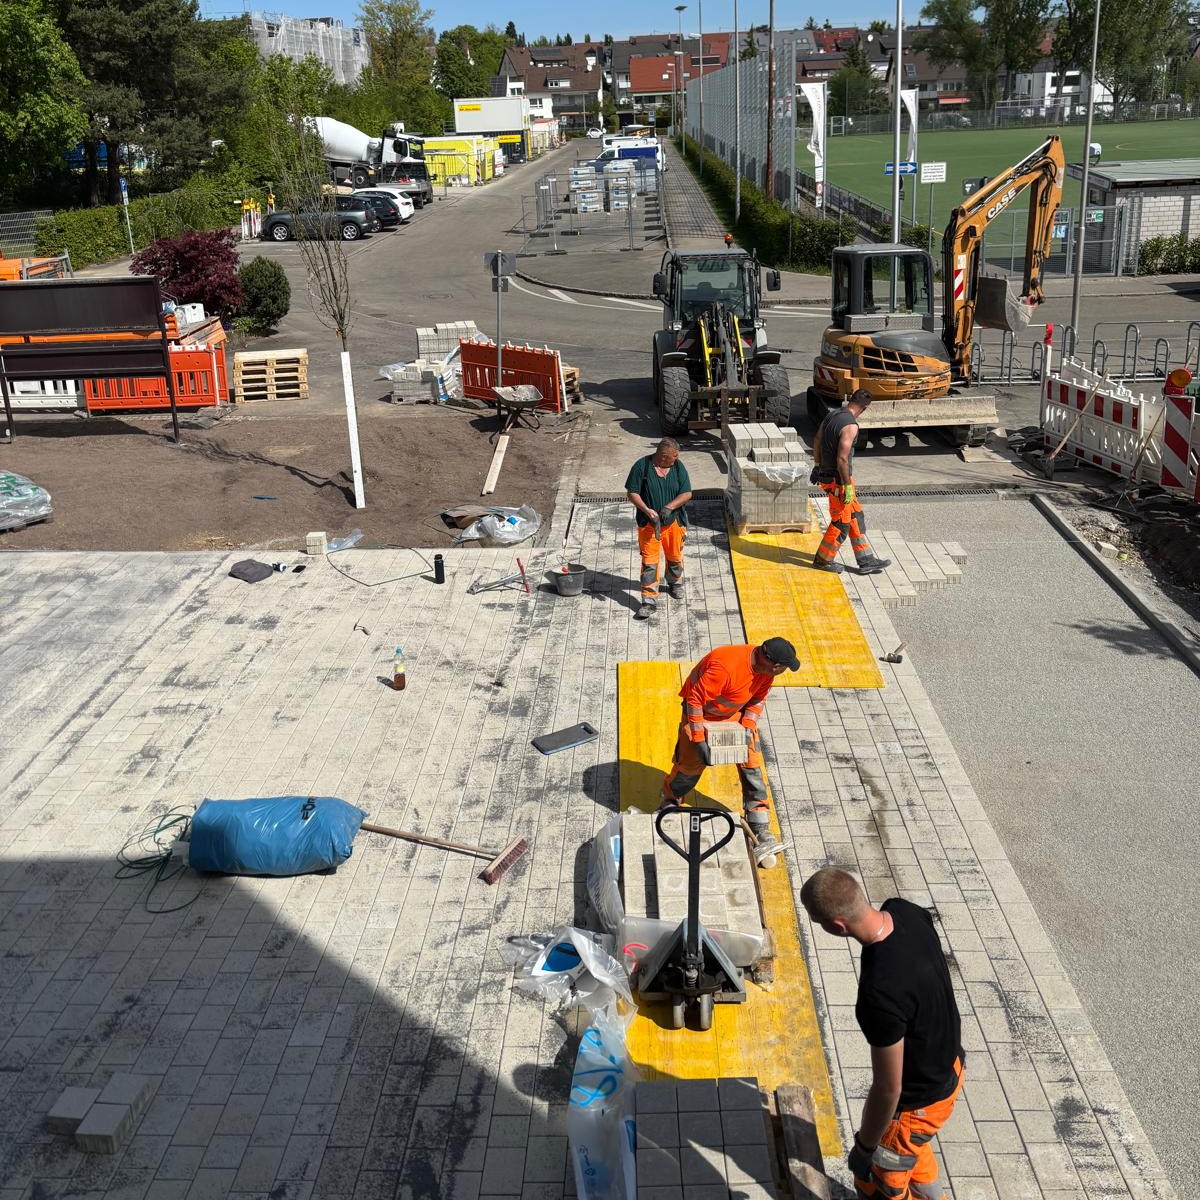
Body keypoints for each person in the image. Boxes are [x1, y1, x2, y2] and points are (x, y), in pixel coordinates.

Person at [800, 868, 965, 1200]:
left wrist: (865, 1146)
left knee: (883, 1181)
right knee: (913, 1152)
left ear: (836, 927)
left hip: (915, 1105)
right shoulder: (904, 911)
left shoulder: (879, 993)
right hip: (950, 1069)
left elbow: (889, 1088)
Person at [661, 639, 800, 853]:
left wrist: (747, 728)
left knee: (751, 767)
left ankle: (759, 824)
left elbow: (757, 700)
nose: (783, 671)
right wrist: (699, 740)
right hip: (701, 716)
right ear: (774, 664)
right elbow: (694, 701)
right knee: (688, 767)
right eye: (784, 668)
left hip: (734, 717)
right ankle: (670, 804)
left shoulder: (766, 673)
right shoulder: (725, 667)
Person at [811, 389, 890, 575]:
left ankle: (865, 560)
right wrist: (846, 485)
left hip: (832, 475)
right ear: (864, 408)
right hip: (838, 481)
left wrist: (817, 465)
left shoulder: (832, 415)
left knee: (854, 514)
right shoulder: (851, 426)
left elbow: (817, 440)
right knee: (841, 523)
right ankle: (822, 560)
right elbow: (842, 459)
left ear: (850, 400)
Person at [625, 438, 693, 621]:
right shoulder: (642, 467)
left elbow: (687, 493)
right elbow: (632, 492)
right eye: (673, 457)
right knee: (649, 563)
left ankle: (674, 583)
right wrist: (648, 511)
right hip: (649, 526)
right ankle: (649, 601)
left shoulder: (678, 468)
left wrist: (669, 507)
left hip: (674, 524)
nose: (676, 460)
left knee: (675, 557)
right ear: (663, 457)